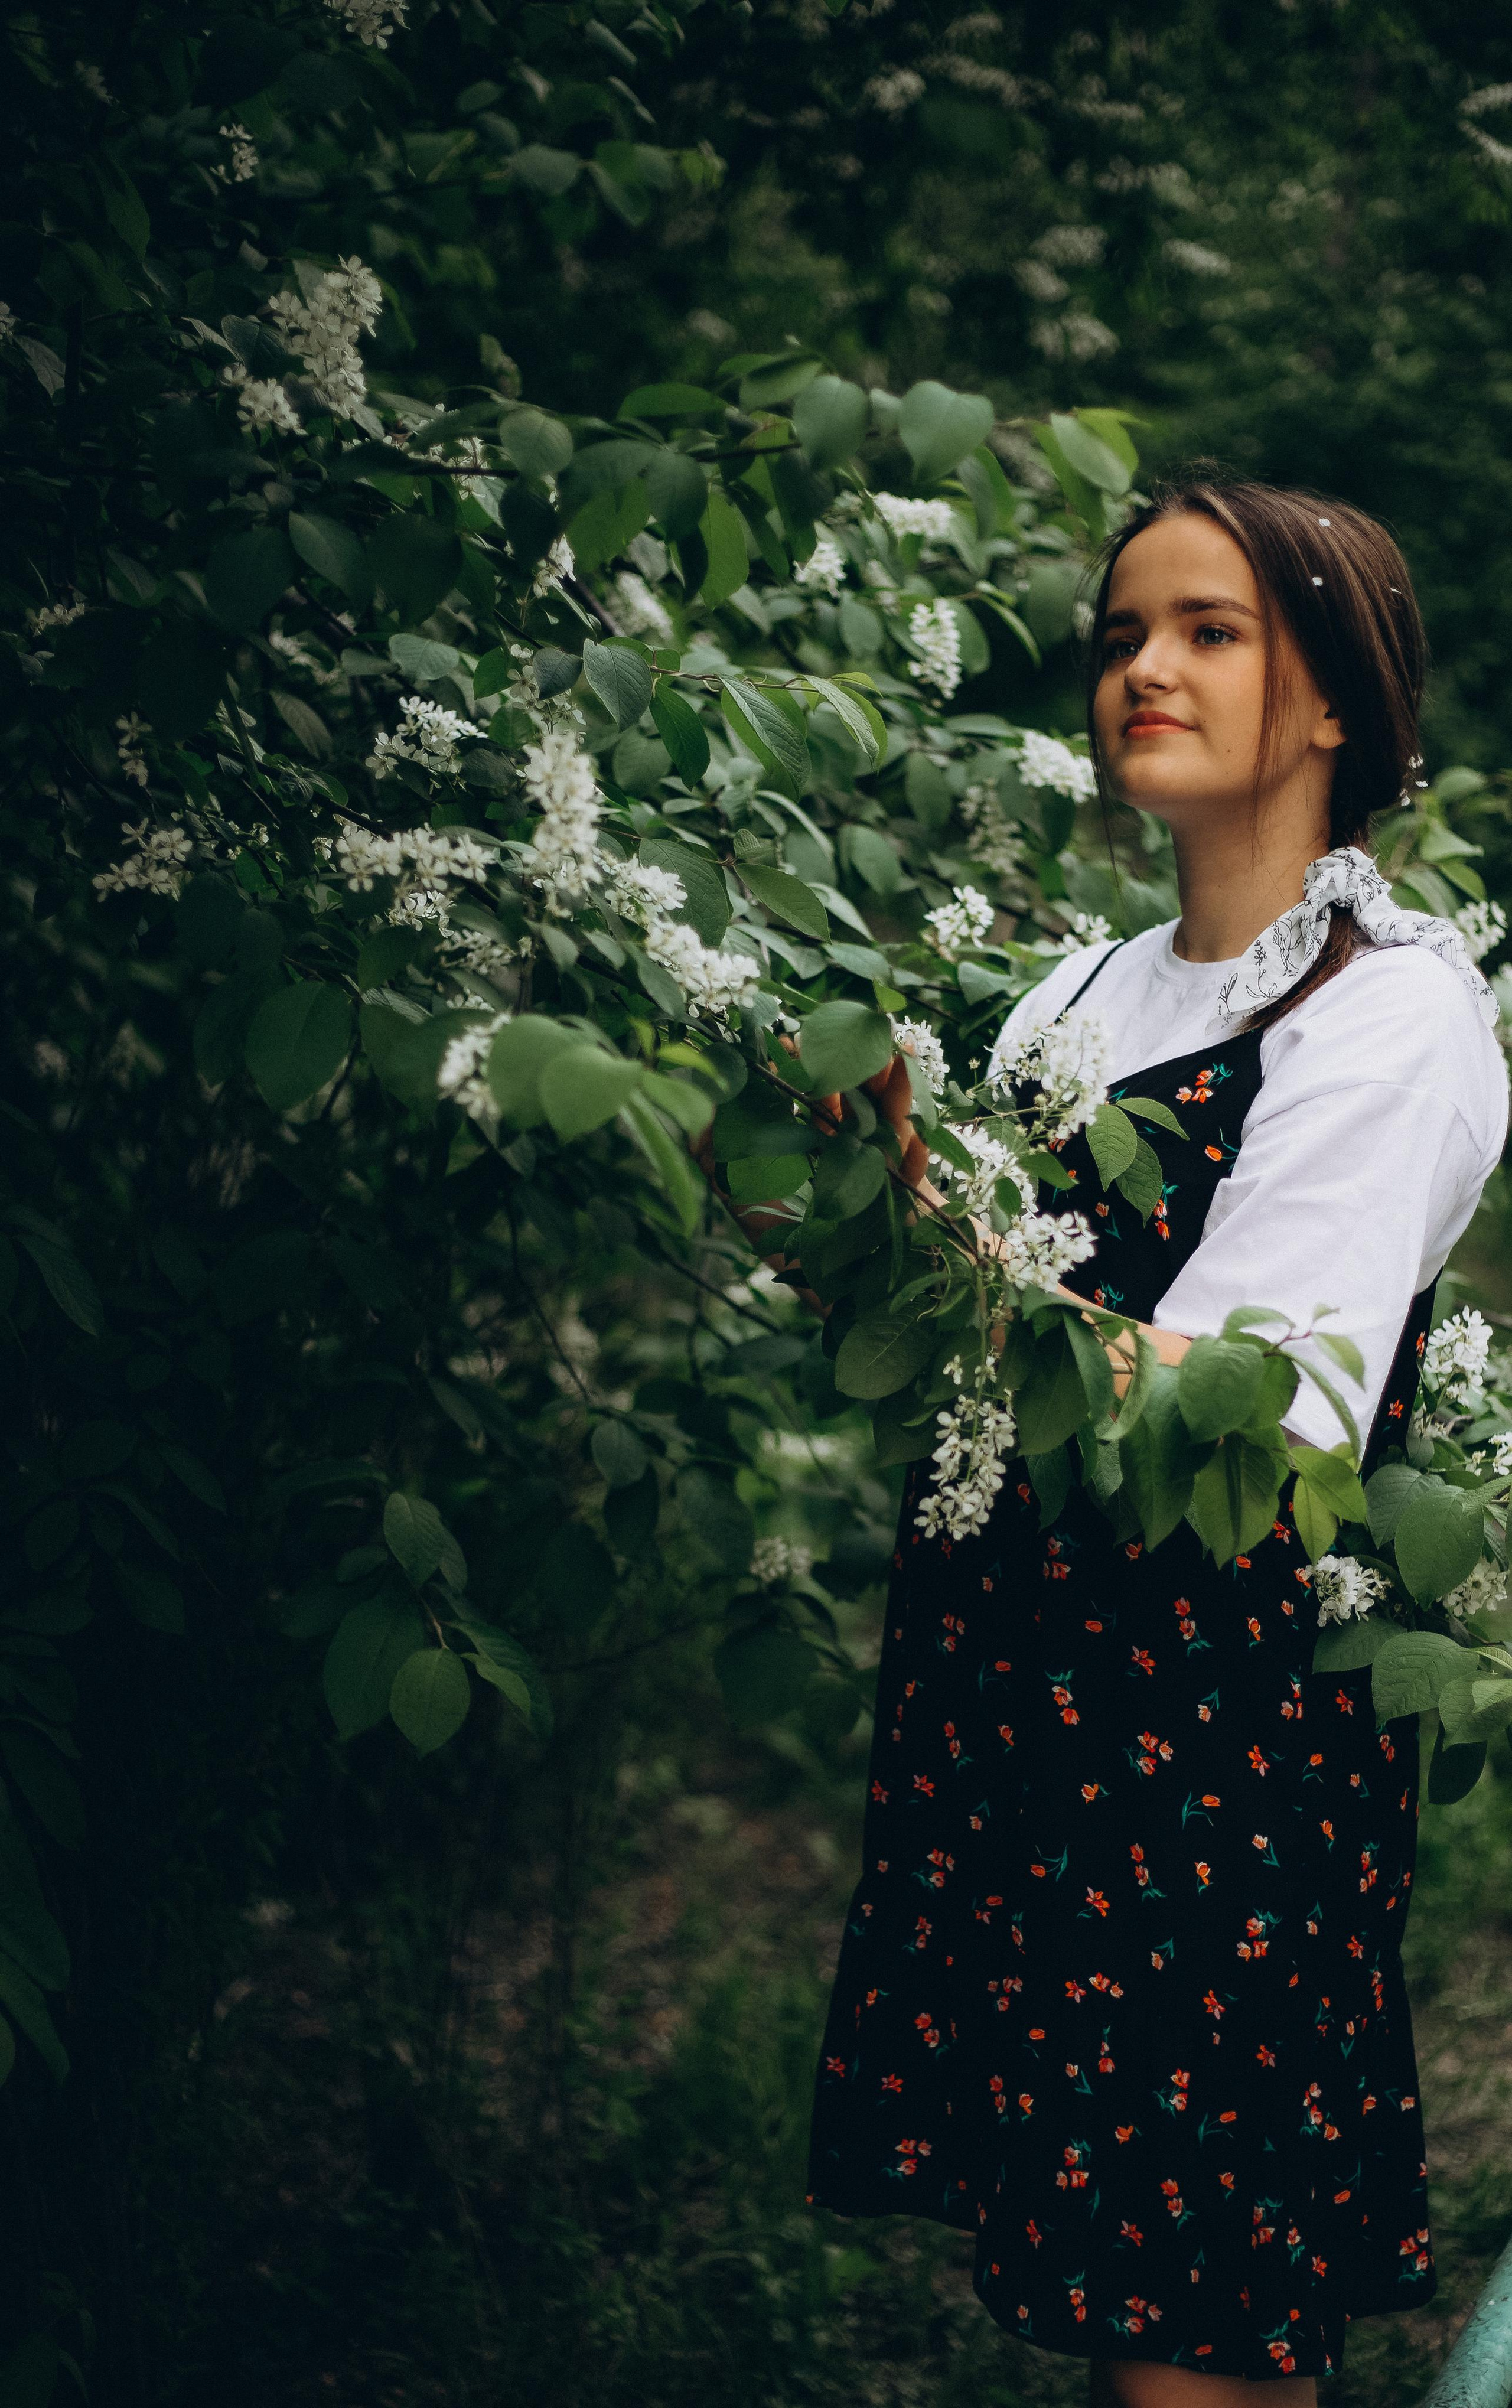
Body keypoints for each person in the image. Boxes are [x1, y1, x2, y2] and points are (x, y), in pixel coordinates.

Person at [791, 479, 1508, 2402]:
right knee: (1094, 2276)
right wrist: (824, 1209)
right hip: (1038, 1680)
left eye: (1208, 631)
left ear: (1336, 694)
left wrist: (938, 1240)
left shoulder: (1391, 1016)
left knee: (1185, 2322)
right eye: (1120, 635)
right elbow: (967, 1342)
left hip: (1215, 1721)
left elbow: (1260, 1411)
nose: (1142, 671)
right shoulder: (1089, 993)